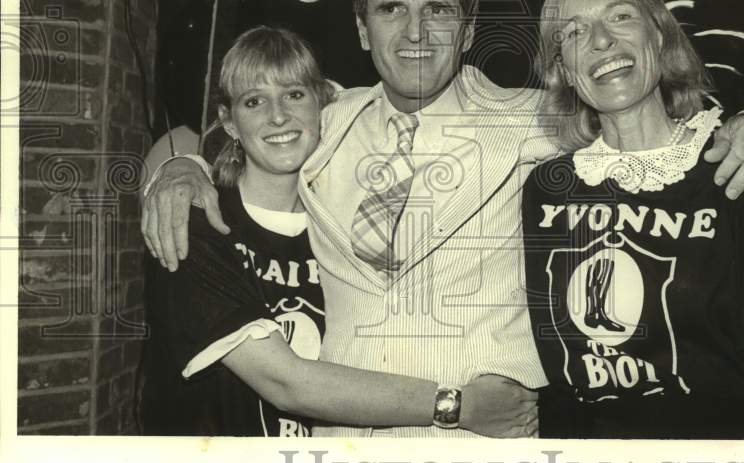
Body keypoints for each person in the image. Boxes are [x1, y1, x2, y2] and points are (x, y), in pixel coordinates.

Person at [142, 0, 744, 439]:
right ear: (363, 29)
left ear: (468, 27)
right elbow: (243, 126)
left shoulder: (531, 120)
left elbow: (638, 105)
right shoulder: (325, 119)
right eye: (392, 10)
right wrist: (179, 166)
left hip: (486, 441)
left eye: (438, 11)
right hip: (344, 446)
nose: (416, 33)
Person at [151, 25, 537, 437]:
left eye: (295, 95)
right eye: (254, 101)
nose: (278, 116)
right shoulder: (199, 226)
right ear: (229, 121)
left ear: (322, 104)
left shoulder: (339, 217)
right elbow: (286, 383)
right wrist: (457, 406)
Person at [522, 0, 744, 439]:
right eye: (573, 33)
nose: (600, 41)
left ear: (658, 36)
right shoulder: (545, 189)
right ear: (564, 72)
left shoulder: (740, 168)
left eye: (620, 16)